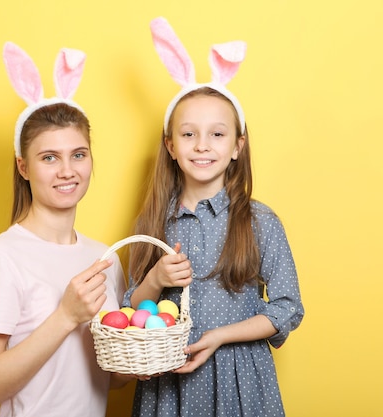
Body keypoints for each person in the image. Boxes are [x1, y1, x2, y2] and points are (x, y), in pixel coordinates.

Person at [123, 17, 304, 416]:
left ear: (238, 145)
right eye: (188, 134)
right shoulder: (153, 223)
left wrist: (220, 337)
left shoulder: (260, 222)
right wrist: (155, 279)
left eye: (217, 134)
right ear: (170, 145)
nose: (202, 145)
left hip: (244, 380)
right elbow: (131, 311)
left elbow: (288, 308)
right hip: (170, 384)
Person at [0, 41, 127, 417]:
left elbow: (109, 378)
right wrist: (66, 316)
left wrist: (143, 357)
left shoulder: (104, 259)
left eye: (78, 155)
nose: (67, 171)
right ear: (23, 167)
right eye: (49, 157)